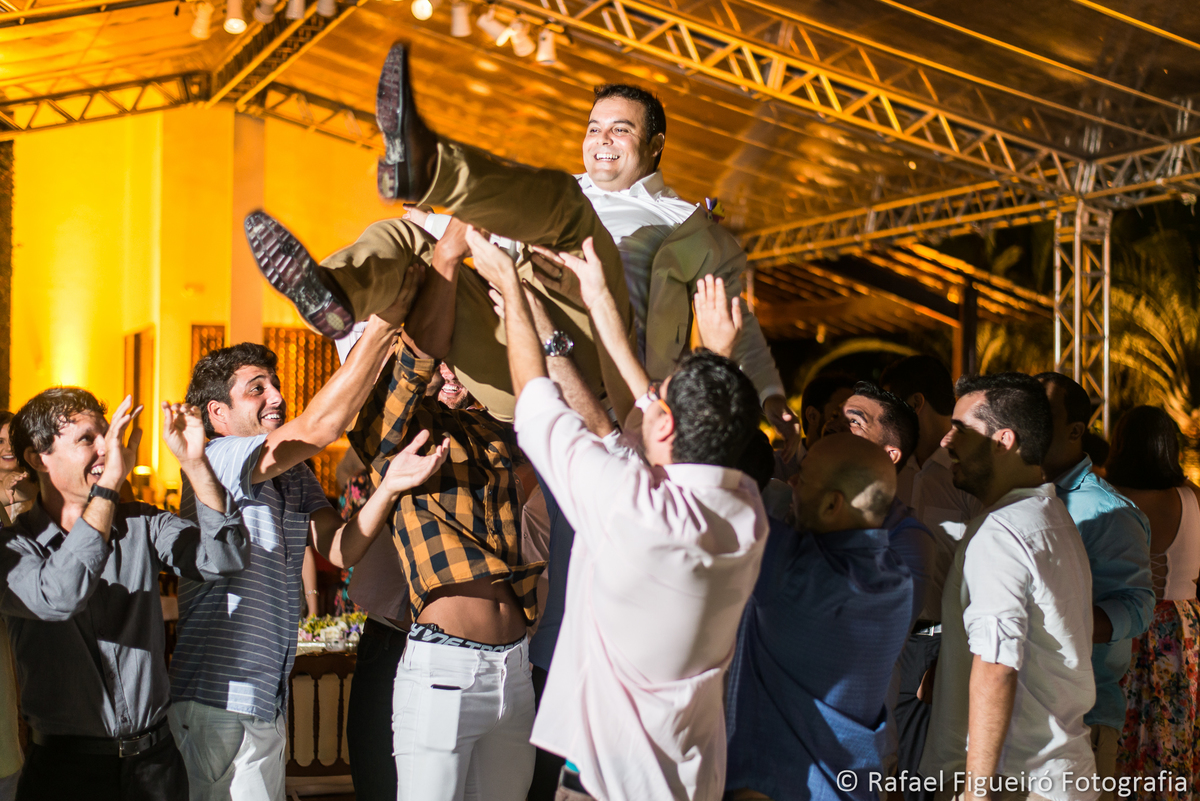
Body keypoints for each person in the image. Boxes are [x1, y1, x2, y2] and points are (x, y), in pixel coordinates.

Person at [245, 41, 795, 444]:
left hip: (596, 363)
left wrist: (771, 399)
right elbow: (453, 240)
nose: (602, 139)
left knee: (569, 212)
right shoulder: (536, 199)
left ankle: (429, 165)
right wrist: (446, 233)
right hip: (508, 336)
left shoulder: (683, 220)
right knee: (405, 234)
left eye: (620, 129)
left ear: (654, 146)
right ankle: (334, 290)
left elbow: (735, 321)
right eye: (594, 127)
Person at [469, 225, 767, 800]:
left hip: (608, 787)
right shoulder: (743, 511)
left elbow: (536, 403)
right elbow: (644, 415)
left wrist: (511, 288)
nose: (649, 395)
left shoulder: (634, 507)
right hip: (687, 779)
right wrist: (600, 305)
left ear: (667, 427)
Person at [168, 296, 445, 801]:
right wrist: (383, 325)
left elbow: (339, 550)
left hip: (262, 697)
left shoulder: (291, 473)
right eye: (257, 390)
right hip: (218, 700)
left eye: (274, 385)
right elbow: (322, 427)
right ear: (218, 413)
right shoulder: (216, 457)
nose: (276, 397)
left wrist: (388, 488)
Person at [344, 219, 545, 801]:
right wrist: (450, 253)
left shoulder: (490, 431)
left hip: (517, 668)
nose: (451, 368)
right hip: (444, 675)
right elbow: (420, 356)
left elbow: (531, 393)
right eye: (444, 360)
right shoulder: (391, 432)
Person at [1, 388, 249, 801]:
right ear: (38, 458)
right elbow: (61, 595)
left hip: (156, 765)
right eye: (87, 439)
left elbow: (223, 558)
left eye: (108, 434)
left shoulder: (141, 524)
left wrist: (194, 462)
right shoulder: (13, 548)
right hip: (65, 774)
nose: (107, 448)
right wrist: (109, 485)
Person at [921, 373, 1097, 801]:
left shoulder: (1002, 531)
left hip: (1014, 781)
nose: (946, 441)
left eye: (961, 428)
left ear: (1003, 440)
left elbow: (997, 667)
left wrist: (976, 791)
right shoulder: (1049, 516)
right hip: (1058, 773)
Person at [725, 433, 913, 801]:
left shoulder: (797, 571)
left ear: (832, 505)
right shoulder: (896, 579)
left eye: (803, 478)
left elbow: (693, 493)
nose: (791, 483)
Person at [1035, 373, 1154, 798]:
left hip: (1081, 719)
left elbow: (1138, 606)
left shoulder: (1108, 511)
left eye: (1042, 415)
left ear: (1074, 430)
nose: (1029, 423)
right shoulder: (1017, 494)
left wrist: (1053, 627)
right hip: (1022, 711)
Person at [879, 355, 983, 801]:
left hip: (946, 646)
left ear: (915, 403)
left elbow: (982, 577)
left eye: (890, 411)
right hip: (889, 644)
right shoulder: (886, 471)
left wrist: (951, 660)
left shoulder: (969, 474)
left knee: (933, 781)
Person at [1104, 406, 1200, 800]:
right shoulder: (1192, 497)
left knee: (1122, 739)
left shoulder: (1107, 498)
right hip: (1182, 629)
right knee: (1176, 735)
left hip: (1120, 625)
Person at [0, 412, 35, 525]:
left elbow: (31, 491)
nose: (9, 448)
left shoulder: (36, 479)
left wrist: (18, 483)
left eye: (13, 441)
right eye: (0, 441)